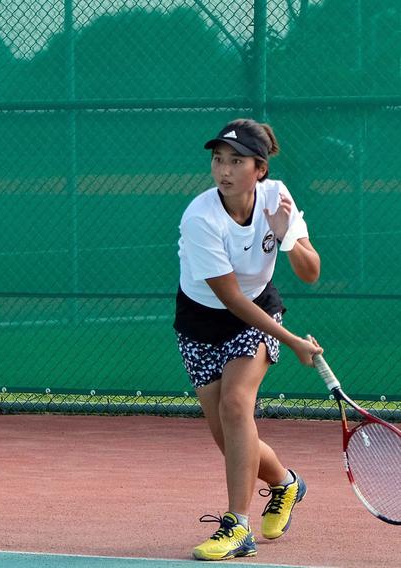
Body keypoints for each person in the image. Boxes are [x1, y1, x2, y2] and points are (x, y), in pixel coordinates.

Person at [174, 118, 323, 561]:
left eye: (236, 161)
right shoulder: (200, 218)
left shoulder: (277, 198)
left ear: (258, 168)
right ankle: (285, 484)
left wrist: (286, 237)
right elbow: (230, 297)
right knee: (229, 439)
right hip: (201, 321)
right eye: (218, 159)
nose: (223, 169)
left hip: (258, 312)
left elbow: (310, 271)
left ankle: (237, 526)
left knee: (237, 404)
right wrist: (293, 340)